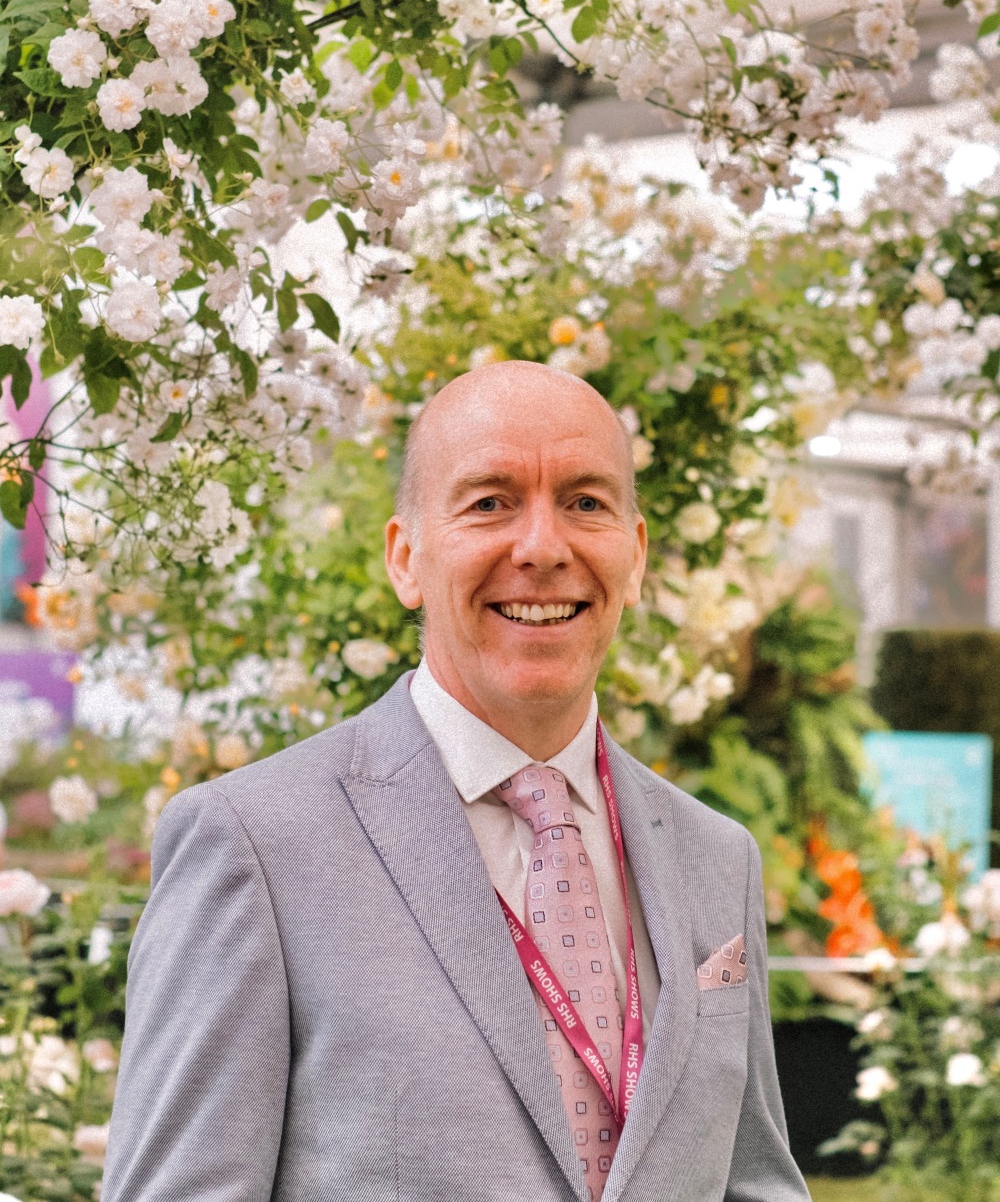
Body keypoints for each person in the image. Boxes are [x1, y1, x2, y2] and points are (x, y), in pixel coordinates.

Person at [102, 361, 811, 1202]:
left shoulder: (717, 858)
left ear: (635, 555)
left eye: (586, 503)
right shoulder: (255, 846)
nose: (543, 547)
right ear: (406, 558)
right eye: (490, 503)